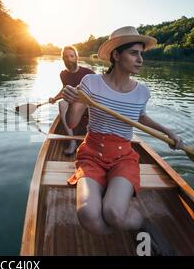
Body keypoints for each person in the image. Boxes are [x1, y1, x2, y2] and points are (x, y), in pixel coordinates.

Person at [62, 26, 183, 239]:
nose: (140, 59)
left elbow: (140, 117)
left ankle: (140, 223)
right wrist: (73, 102)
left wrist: (167, 132)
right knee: (88, 214)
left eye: (141, 54)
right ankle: (117, 231)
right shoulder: (91, 83)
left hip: (122, 157)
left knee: (113, 213)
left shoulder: (142, 91)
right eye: (134, 53)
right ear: (116, 55)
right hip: (91, 154)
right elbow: (72, 121)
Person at [49, 45, 95, 155]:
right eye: (65, 57)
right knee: (61, 104)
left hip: (87, 104)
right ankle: (72, 141)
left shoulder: (88, 73)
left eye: (71, 56)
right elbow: (64, 89)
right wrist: (55, 98)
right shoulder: (63, 74)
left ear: (76, 57)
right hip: (72, 105)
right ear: (63, 59)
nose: (69, 59)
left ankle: (92, 141)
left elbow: (98, 92)